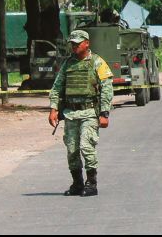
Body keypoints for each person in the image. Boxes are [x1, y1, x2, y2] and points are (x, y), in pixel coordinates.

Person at [48, 30, 114, 197]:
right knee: (72, 150)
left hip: (89, 112)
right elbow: (57, 87)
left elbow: (106, 88)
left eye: (77, 43)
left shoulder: (97, 62)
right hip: (70, 113)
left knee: (86, 146)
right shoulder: (67, 64)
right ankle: (77, 183)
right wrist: (53, 109)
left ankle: (91, 183)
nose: (74, 46)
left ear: (87, 43)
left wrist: (104, 113)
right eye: (72, 43)